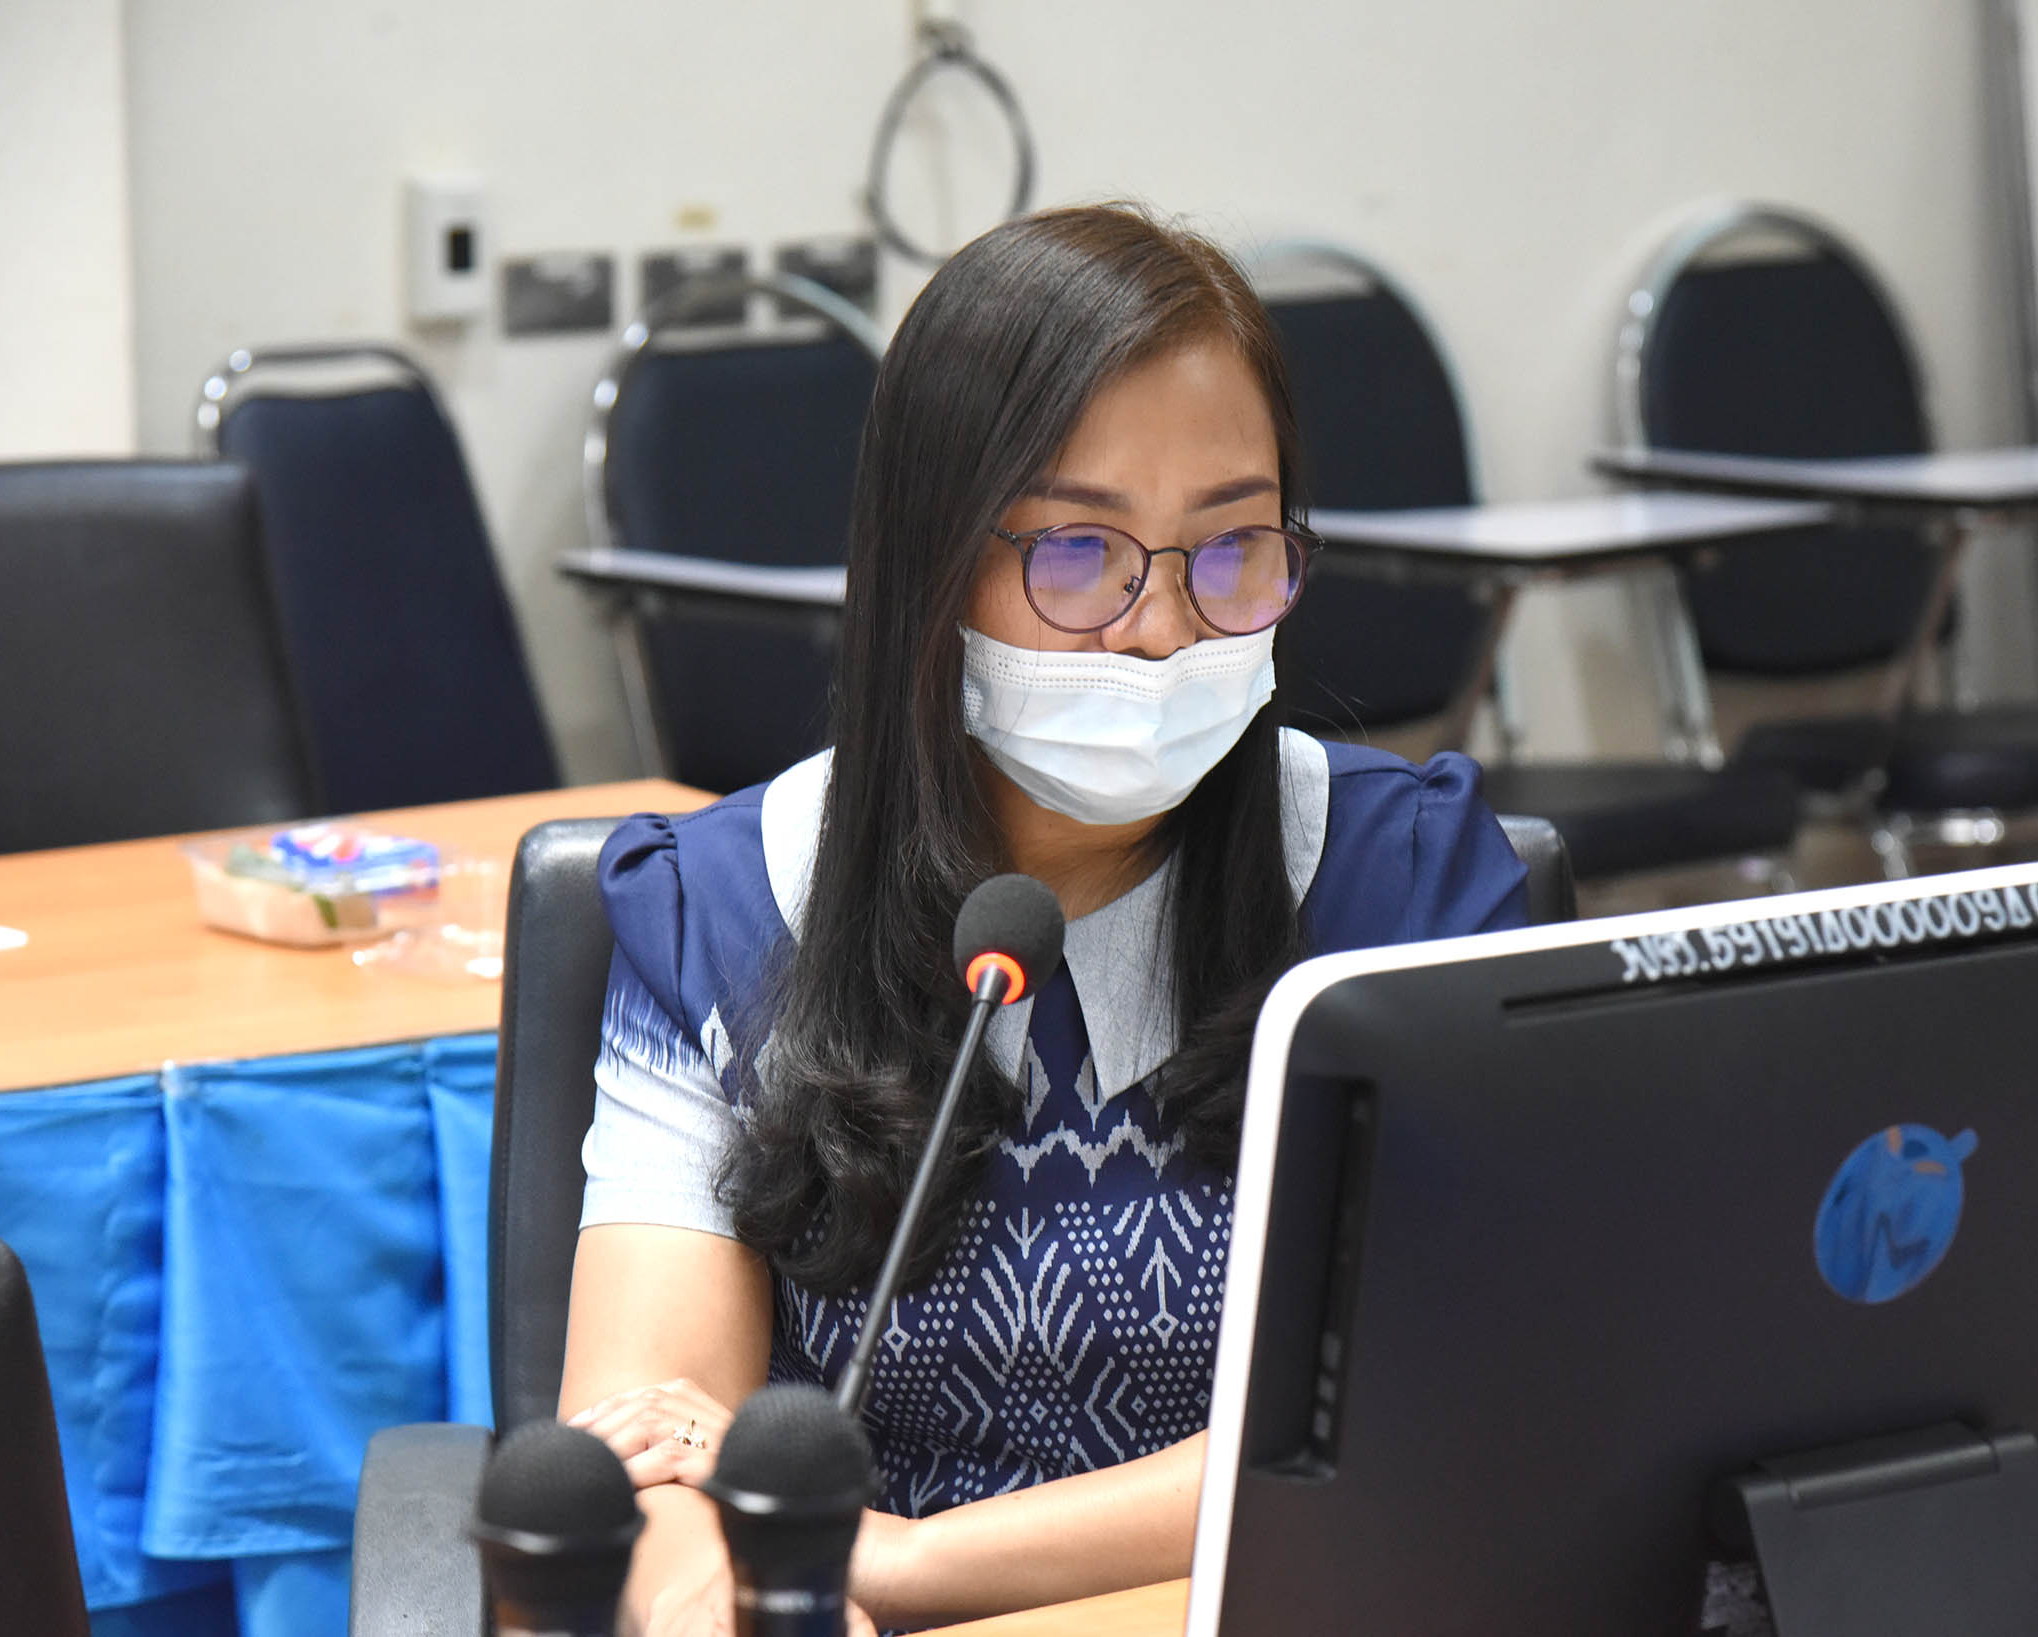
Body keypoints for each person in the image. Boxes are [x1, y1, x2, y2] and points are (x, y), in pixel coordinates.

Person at [560, 203, 1529, 1634]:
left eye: (1233, 546)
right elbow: (649, 1443)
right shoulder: (719, 908)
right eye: (1079, 553)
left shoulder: (1406, 882)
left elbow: (1426, 1411)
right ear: (932, 562)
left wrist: (897, 1559)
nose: (1163, 626)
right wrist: (725, 1587)